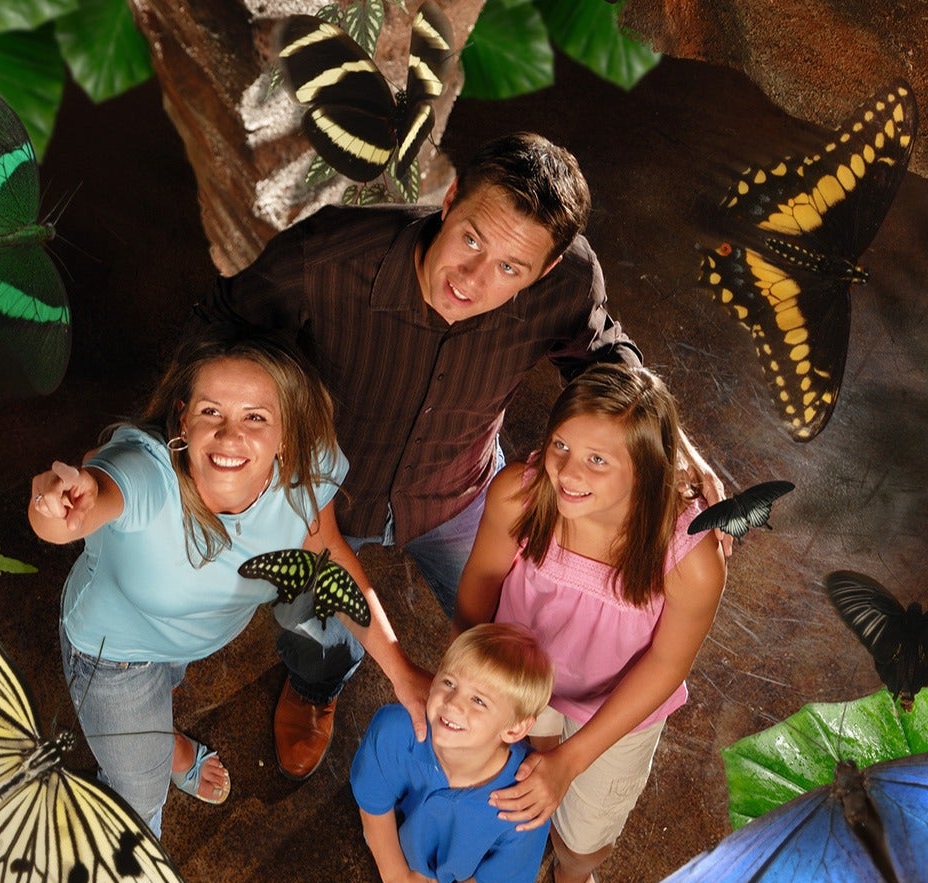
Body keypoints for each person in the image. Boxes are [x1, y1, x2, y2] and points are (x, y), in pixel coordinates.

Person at [194, 131, 722, 779]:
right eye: (472, 238)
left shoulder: (570, 280)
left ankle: (502, 719)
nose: (473, 280)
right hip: (324, 495)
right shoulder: (326, 254)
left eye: (511, 268)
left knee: (512, 635)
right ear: (448, 202)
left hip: (462, 491)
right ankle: (314, 689)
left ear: (547, 271)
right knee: (313, 634)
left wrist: (672, 441)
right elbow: (222, 326)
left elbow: (607, 353)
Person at [28, 325, 428, 836]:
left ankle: (163, 741)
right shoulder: (146, 474)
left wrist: (401, 671)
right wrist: (55, 507)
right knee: (137, 800)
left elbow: (326, 552)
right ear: (183, 419)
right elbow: (84, 505)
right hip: (114, 655)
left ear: (288, 434)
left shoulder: (307, 465)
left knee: (161, 697)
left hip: (190, 636)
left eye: (256, 417)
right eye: (210, 411)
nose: (230, 435)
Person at [454, 363, 726, 883]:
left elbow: (665, 665)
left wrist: (571, 758)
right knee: (489, 797)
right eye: (561, 447)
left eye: (599, 461)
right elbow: (482, 586)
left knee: (588, 831)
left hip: (618, 708)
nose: (569, 473)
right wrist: (472, 677)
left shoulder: (692, 556)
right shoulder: (519, 495)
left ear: (649, 469)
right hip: (516, 681)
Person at [350, 622, 555, 883]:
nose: (452, 704)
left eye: (479, 700)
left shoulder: (523, 796)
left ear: (515, 730)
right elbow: (374, 810)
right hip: (409, 858)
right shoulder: (395, 730)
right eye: (447, 681)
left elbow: (501, 876)